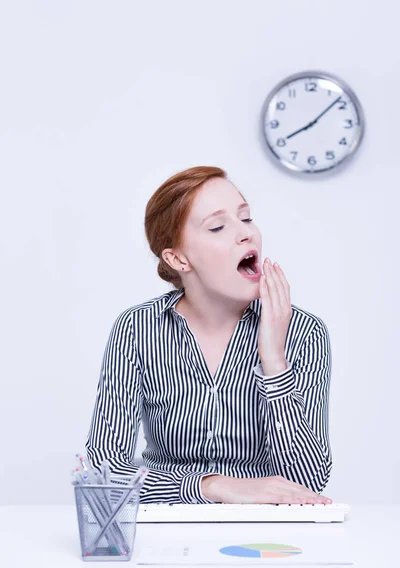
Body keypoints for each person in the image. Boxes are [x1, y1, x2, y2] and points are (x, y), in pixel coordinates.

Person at [85, 166, 333, 505]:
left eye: (246, 218)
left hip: (268, 530)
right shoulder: (137, 329)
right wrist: (212, 486)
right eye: (217, 226)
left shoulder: (304, 333)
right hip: (167, 525)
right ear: (178, 258)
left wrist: (274, 362)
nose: (246, 234)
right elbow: (104, 472)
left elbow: (307, 481)